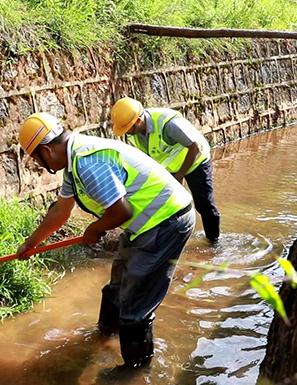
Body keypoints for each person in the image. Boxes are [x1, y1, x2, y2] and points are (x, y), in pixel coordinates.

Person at [15, 112, 195, 367]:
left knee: (135, 305)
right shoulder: (74, 163)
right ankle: (103, 336)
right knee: (117, 287)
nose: (38, 164)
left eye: (36, 159)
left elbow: (122, 212)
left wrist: (94, 229)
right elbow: (59, 213)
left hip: (166, 222)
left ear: (46, 151)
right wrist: (31, 244)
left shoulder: (88, 162)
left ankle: (135, 371)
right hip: (143, 227)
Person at [109, 98, 221, 244]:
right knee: (166, 205)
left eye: (128, 129)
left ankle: (213, 241)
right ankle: (172, 240)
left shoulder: (169, 125)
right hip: (169, 167)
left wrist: (180, 175)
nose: (127, 133)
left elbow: (195, 148)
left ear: (138, 121)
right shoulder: (134, 133)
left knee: (204, 204)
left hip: (196, 161)